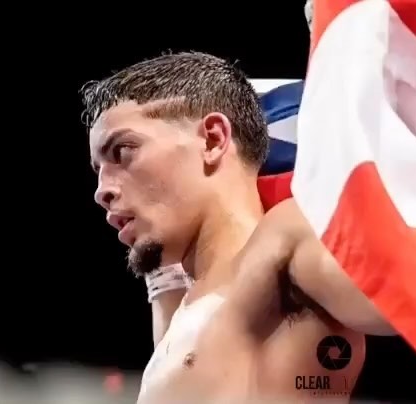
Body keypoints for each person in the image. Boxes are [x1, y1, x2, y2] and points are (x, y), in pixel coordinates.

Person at [83, 51, 394, 403]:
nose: (101, 191)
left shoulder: (286, 238)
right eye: (98, 169)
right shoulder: (188, 313)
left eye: (122, 151)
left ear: (213, 140)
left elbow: (411, 302)